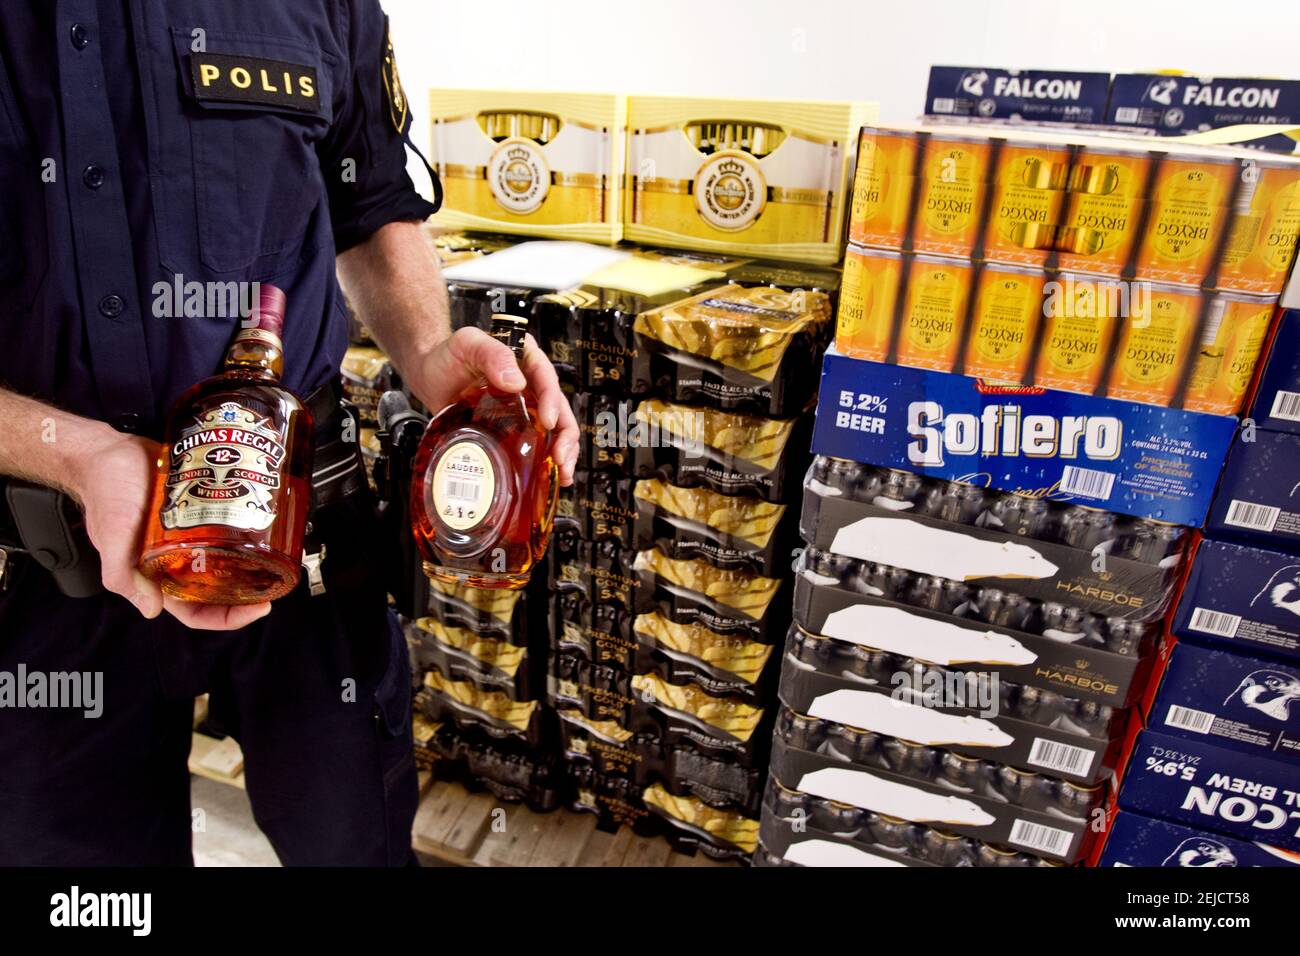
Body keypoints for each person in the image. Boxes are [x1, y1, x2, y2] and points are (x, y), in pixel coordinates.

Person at [0, 0, 578, 865]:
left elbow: (372, 205)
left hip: (305, 549)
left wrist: (427, 349)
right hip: (50, 571)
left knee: (354, 850)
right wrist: (79, 456)